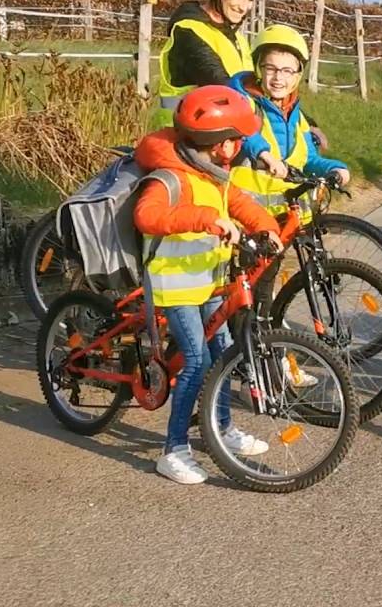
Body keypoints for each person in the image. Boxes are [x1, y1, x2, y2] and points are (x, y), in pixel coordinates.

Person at [133, 85, 284, 485]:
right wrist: (203, 218)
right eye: (237, 139)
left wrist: (267, 229)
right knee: (197, 362)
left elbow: (242, 205)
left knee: (220, 357)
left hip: (209, 284)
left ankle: (221, 429)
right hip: (176, 287)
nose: (240, 146)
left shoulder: (214, 175)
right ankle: (174, 449)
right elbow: (147, 218)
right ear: (219, 145)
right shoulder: (169, 177)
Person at [228, 23, 350, 224]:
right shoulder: (244, 103)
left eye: (287, 71)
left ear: (297, 75)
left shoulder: (297, 116)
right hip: (244, 216)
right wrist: (265, 155)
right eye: (271, 68)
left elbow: (308, 160)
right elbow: (245, 132)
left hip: (285, 216)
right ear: (258, 68)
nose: (278, 78)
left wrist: (336, 169)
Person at [155, 0, 262, 125]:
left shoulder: (237, 39)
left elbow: (257, 85)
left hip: (224, 134)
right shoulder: (188, 31)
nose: (245, 7)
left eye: (251, 0)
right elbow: (220, 83)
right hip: (183, 138)